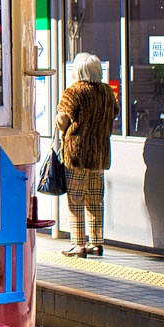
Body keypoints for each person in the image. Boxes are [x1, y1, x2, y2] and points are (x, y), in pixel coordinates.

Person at [56, 52, 117, 257]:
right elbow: (114, 113)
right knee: (95, 199)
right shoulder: (107, 92)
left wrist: (58, 118)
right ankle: (96, 242)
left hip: (77, 155)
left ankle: (78, 244)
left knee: (75, 199)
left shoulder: (74, 92)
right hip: (99, 154)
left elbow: (62, 122)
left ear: (79, 71)